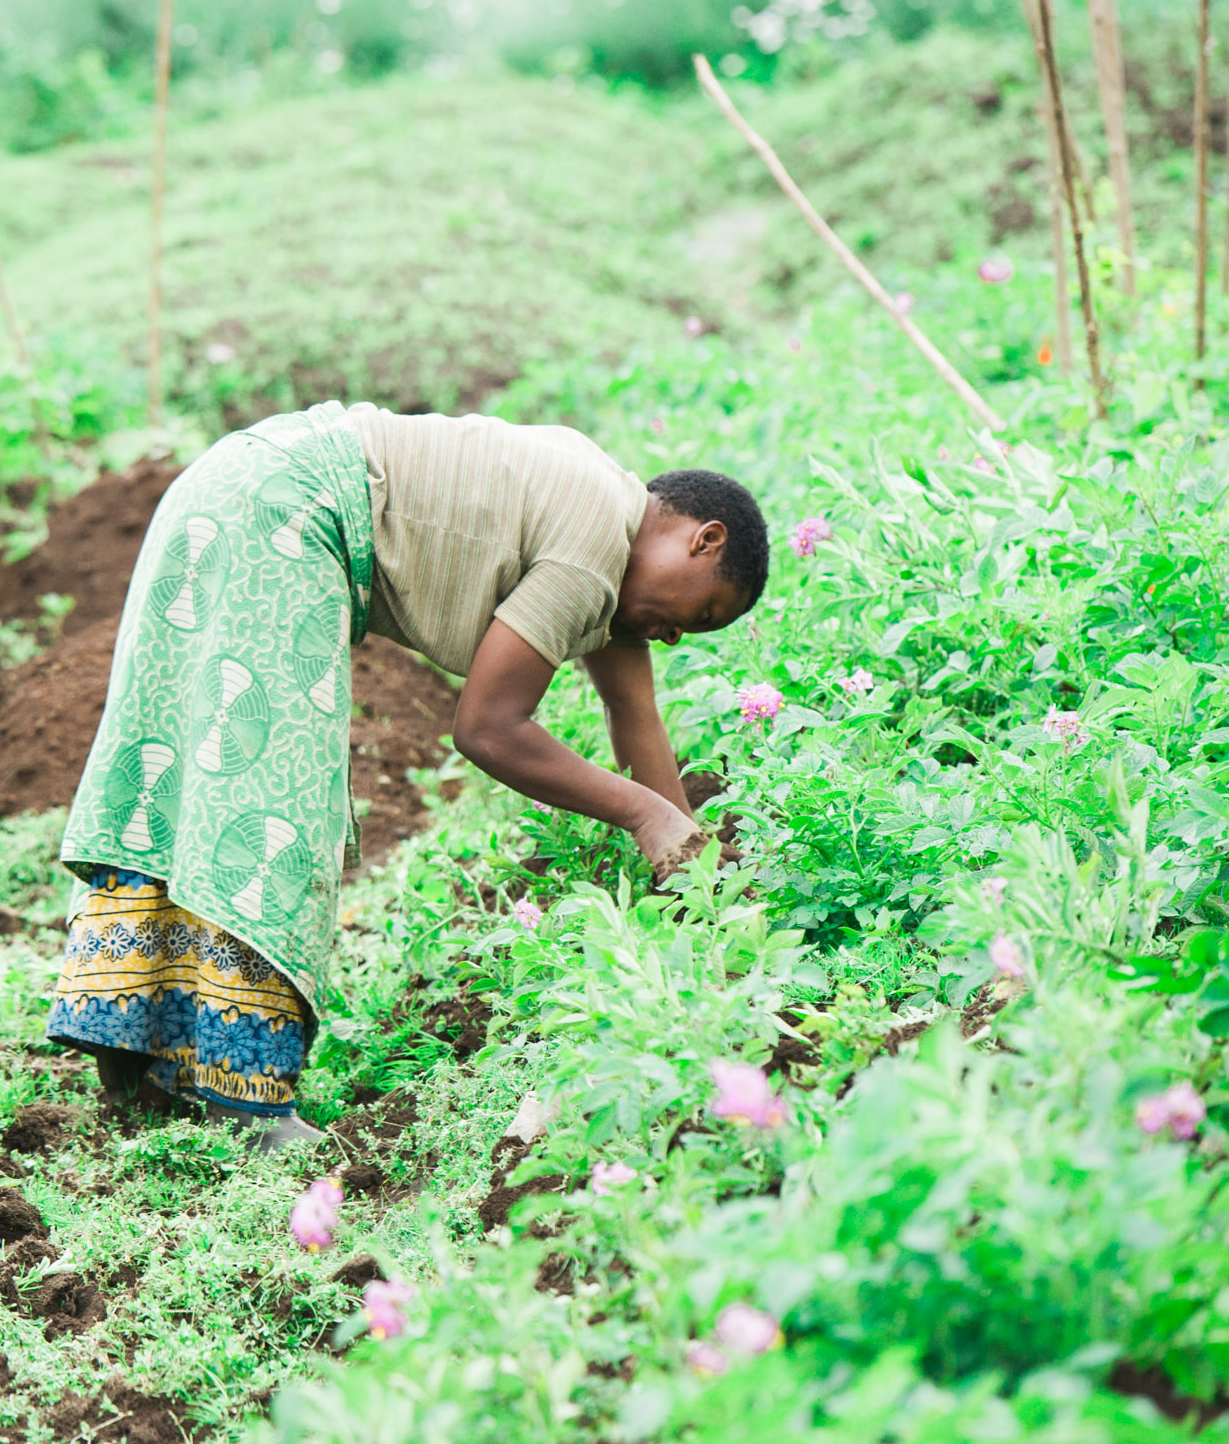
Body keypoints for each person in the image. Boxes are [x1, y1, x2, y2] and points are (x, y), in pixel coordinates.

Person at [46, 401, 768, 1149]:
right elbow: (489, 728)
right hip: (283, 511)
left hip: (235, 483)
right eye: (704, 610)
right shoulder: (592, 547)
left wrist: (699, 878)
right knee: (275, 798)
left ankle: (133, 1044)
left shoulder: (601, 524)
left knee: (184, 769)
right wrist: (646, 817)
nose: (678, 633)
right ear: (701, 538)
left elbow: (635, 717)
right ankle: (245, 1098)